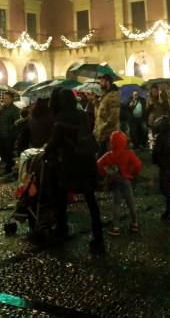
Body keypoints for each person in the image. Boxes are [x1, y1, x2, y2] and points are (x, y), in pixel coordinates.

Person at [44, 88, 104, 252]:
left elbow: (55, 141)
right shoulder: (82, 114)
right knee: (91, 201)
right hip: (88, 161)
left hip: (71, 163)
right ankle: (98, 237)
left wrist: (46, 150)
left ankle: (61, 227)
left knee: (61, 197)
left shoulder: (62, 117)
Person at [97, 130, 142, 235]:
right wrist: (132, 173)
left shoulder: (109, 155)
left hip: (115, 182)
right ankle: (135, 223)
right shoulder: (129, 153)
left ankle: (116, 227)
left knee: (116, 204)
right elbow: (138, 165)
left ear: (112, 142)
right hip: (126, 181)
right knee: (130, 202)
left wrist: (105, 173)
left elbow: (98, 165)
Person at [93, 72, 121, 155]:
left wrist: (103, 127)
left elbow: (114, 116)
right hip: (102, 134)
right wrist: (95, 101)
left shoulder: (113, 95)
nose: (100, 83)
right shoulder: (105, 95)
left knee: (108, 158)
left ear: (107, 82)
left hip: (108, 134)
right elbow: (101, 111)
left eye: (102, 81)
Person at [0, 93, 21, 173]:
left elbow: (17, 122)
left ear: (11, 99)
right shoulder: (2, 109)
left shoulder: (15, 109)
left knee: (8, 151)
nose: (4, 100)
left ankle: (8, 168)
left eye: (6, 98)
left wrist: (10, 129)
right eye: (4, 98)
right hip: (1, 133)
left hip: (9, 135)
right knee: (0, 150)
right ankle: (9, 163)